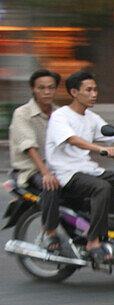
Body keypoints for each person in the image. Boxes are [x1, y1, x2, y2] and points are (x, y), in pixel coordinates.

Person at [43, 71, 114, 264]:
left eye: (95, 90)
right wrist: (101, 149)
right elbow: (73, 139)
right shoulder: (60, 116)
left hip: (88, 170)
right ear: (74, 92)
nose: (94, 94)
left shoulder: (92, 118)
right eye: (89, 90)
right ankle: (92, 242)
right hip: (66, 173)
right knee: (102, 187)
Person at [8, 69, 61, 250]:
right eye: (42, 88)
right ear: (33, 89)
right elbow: (29, 146)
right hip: (32, 170)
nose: (47, 92)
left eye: (51, 88)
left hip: (57, 167)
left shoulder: (59, 113)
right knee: (51, 185)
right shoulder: (22, 113)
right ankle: (49, 233)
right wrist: (45, 173)